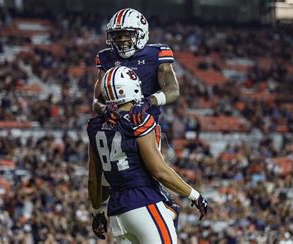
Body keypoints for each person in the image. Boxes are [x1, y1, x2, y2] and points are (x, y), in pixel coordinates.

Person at [87, 66, 208, 243]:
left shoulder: (96, 125)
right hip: (142, 202)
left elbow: (94, 179)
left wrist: (97, 212)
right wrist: (194, 195)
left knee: (171, 209)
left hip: (116, 212)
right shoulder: (138, 120)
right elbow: (158, 170)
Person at [92, 7, 182, 227]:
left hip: (145, 129)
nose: (121, 40)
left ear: (141, 33)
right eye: (117, 35)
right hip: (115, 130)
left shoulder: (156, 54)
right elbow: (96, 100)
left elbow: (172, 90)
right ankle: (100, 212)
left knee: (150, 175)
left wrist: (149, 101)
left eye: (127, 34)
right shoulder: (105, 58)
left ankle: (167, 204)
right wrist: (106, 110)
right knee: (106, 178)